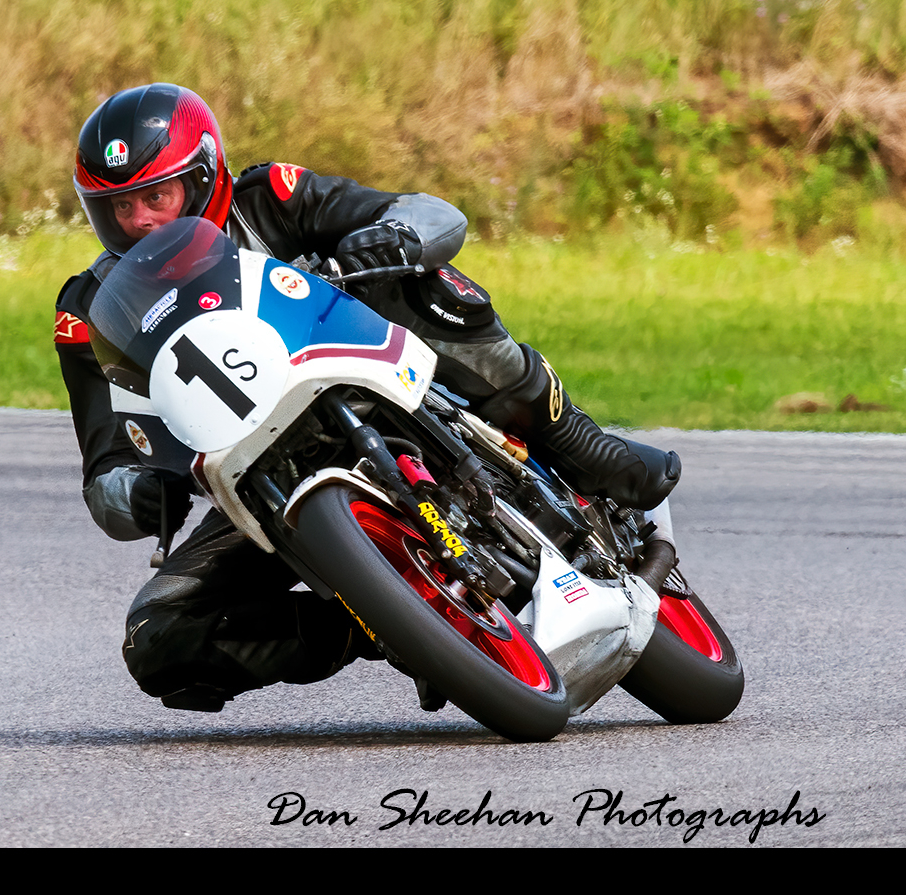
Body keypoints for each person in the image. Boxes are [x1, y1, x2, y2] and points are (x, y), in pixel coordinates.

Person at [55, 83, 681, 714]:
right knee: (156, 636)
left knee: (424, 284)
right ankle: (389, 620)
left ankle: (581, 443)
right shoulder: (88, 311)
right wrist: (134, 493)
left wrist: (395, 236)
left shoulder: (270, 199)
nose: (139, 221)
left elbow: (434, 214)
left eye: (155, 197)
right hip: (254, 478)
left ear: (204, 175)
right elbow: (104, 467)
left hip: (374, 380)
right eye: (118, 207)